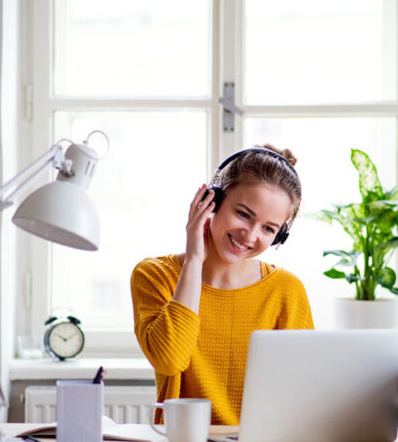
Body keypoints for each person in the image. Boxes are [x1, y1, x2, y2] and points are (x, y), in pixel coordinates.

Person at [131, 145, 314, 425]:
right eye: (243, 214)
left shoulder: (286, 290)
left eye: (268, 228)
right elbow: (170, 360)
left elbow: (302, 394)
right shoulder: (155, 275)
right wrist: (194, 259)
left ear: (279, 236)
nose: (250, 235)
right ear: (211, 202)